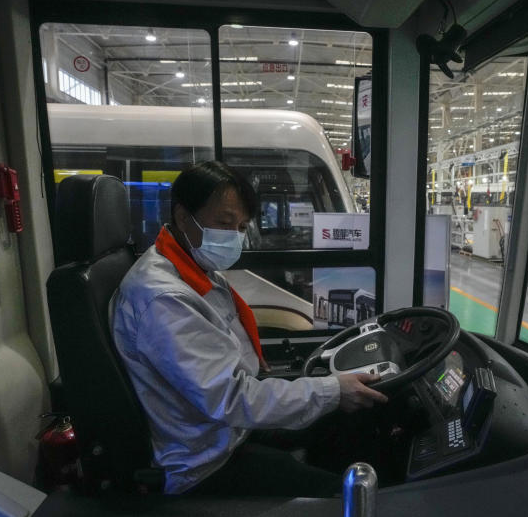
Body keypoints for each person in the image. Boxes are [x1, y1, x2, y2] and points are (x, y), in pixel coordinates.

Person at [111, 161, 387, 496]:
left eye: (241, 226)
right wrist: (331, 390)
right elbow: (231, 399)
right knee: (345, 495)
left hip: (223, 429)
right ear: (184, 218)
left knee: (342, 424)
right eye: (224, 223)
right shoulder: (163, 298)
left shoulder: (191, 267)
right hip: (202, 460)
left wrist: (324, 390)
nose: (234, 237)